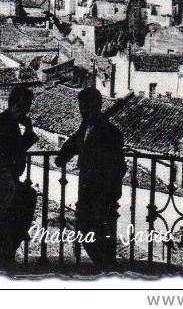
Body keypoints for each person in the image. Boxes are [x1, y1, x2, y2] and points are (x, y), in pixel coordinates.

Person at [55, 87, 127, 269]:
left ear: (96, 106)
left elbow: (118, 166)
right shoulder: (88, 125)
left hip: (100, 193)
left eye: (85, 107)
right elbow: (75, 141)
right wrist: (62, 157)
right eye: (81, 107)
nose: (82, 111)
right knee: (91, 229)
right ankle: (105, 266)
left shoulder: (108, 131)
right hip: (89, 191)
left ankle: (106, 266)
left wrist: (110, 194)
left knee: (92, 229)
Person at [0, 85, 38, 265]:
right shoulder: (2, 123)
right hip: (3, 181)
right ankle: (5, 258)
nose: (27, 110)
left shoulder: (8, 122)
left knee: (16, 217)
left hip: (9, 180)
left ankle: (7, 256)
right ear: (14, 104)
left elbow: (16, 149)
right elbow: (9, 152)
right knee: (10, 221)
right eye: (25, 106)